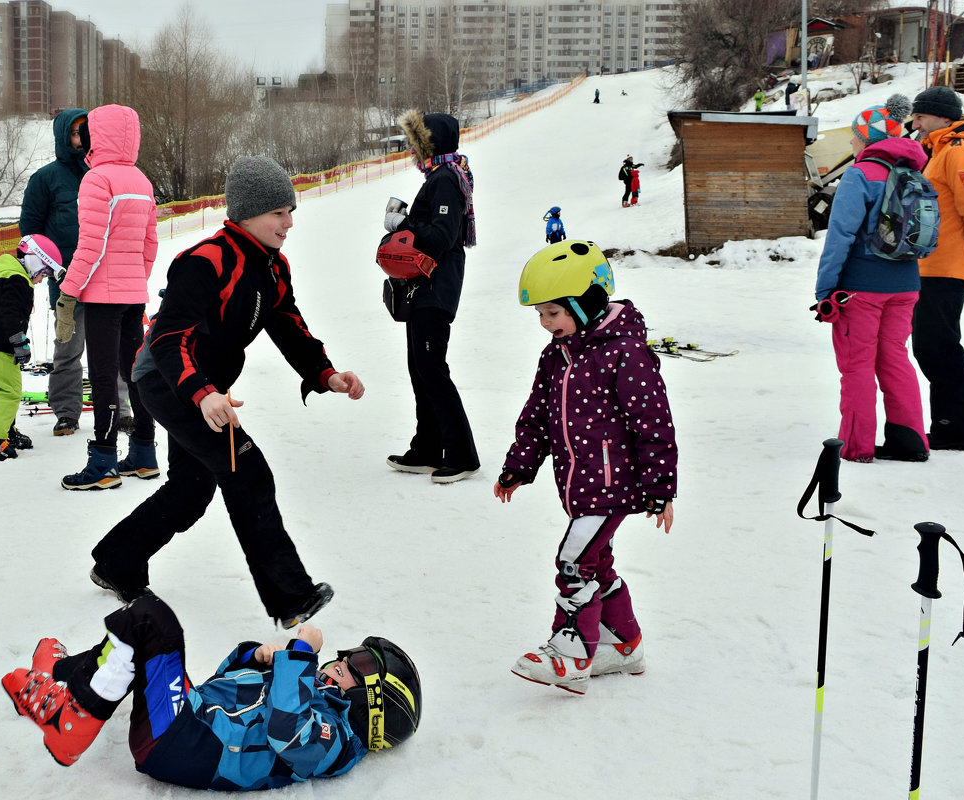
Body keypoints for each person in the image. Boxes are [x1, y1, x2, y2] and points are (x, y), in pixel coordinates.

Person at [88, 155, 362, 628]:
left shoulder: (272, 267)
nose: (289, 222)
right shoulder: (204, 261)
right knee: (247, 470)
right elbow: (171, 339)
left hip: (204, 388)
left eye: (290, 211)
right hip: (168, 380)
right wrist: (202, 393)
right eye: (279, 212)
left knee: (192, 491)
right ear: (248, 212)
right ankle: (291, 597)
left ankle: (116, 560)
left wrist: (325, 373)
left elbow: (290, 326)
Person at [494, 239, 677, 694]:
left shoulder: (624, 353)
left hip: (615, 487)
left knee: (574, 563)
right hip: (579, 487)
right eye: (540, 314)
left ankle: (571, 652)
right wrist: (519, 465)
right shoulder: (557, 356)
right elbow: (537, 415)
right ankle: (623, 643)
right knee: (597, 563)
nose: (544, 323)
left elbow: (653, 424)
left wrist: (660, 488)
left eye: (553, 312)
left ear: (588, 303)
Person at [0, 594, 422, 789]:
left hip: (189, 746)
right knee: (141, 639)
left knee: (151, 622)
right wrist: (254, 658)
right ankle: (56, 678)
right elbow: (219, 689)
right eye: (354, 655)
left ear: (374, 705)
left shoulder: (337, 740)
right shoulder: (305, 688)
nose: (345, 659)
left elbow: (287, 732)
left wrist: (300, 656)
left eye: (361, 666)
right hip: (192, 720)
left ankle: (69, 722)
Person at [813, 94, 929, 463]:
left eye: (854, 136)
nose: (851, 143)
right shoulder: (913, 171)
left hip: (861, 289)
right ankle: (910, 441)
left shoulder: (860, 174)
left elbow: (840, 237)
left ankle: (857, 445)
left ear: (867, 139)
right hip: (906, 285)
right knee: (895, 359)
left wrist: (825, 289)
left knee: (857, 364)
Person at [55, 104, 160, 489]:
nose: (82, 139)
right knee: (134, 373)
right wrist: (137, 280)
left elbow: (90, 246)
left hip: (102, 297)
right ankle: (145, 453)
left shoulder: (97, 180)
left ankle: (103, 460)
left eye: (88, 133)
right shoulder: (141, 181)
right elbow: (150, 245)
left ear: (100, 136)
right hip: (134, 294)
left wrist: (68, 294)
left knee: (102, 376)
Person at [19, 108, 133, 438]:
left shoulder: (108, 173)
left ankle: (120, 410)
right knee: (69, 351)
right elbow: (31, 232)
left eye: (87, 131)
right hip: (69, 282)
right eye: (75, 132)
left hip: (109, 280)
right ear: (63, 137)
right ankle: (67, 413)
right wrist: (48, 267)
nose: (82, 139)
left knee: (113, 351)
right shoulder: (46, 179)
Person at [383, 109, 480, 483]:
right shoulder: (444, 176)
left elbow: (440, 238)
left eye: (416, 142)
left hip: (435, 288)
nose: (413, 149)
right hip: (425, 289)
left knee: (432, 370)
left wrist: (403, 224)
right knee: (421, 370)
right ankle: (427, 448)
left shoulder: (445, 180)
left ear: (429, 142)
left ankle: (461, 454)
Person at [909, 85, 964, 450]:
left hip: (947, 266)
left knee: (938, 347)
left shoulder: (961, 151)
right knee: (932, 346)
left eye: (921, 116)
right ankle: (953, 424)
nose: (916, 123)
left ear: (944, 116)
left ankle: (956, 428)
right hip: (932, 265)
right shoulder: (940, 150)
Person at [0, 235, 64, 460]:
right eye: (45, 272)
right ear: (34, 260)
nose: (42, 279)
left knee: (4, 389)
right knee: (8, 392)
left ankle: (5, 431)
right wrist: (19, 342)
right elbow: (10, 314)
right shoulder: (18, 279)